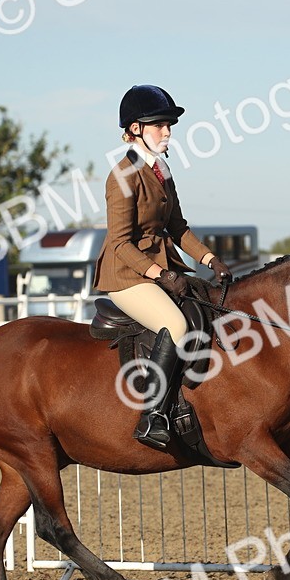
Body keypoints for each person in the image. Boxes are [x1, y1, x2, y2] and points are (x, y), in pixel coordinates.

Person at [94, 84, 232, 449]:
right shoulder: (121, 176)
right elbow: (120, 243)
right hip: (126, 275)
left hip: (158, 271)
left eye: (169, 125)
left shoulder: (162, 172)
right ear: (136, 129)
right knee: (174, 323)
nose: (168, 132)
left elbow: (178, 228)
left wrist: (208, 259)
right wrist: (162, 274)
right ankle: (152, 416)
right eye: (160, 126)